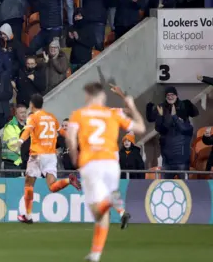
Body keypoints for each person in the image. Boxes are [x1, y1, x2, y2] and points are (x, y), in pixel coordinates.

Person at [66, 83, 146, 261]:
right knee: (108, 201)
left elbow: (70, 137)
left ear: (87, 96)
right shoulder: (113, 113)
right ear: (103, 97)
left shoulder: (78, 115)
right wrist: (131, 105)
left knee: (97, 212)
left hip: (90, 163)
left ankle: (111, 204)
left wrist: (74, 156)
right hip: (111, 163)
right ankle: (96, 254)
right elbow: (141, 128)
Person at [16, 94, 81, 224]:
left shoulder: (33, 117)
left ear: (32, 105)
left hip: (36, 155)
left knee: (29, 184)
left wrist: (20, 141)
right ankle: (69, 180)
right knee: (52, 186)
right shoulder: (51, 117)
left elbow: (27, 131)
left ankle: (28, 216)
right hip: (51, 155)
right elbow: (61, 132)